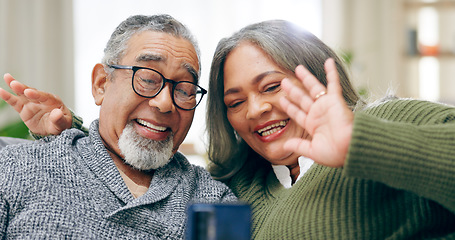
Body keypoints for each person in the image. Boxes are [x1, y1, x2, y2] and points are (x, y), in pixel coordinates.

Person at [3, 19, 455, 239]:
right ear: (102, 83)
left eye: (272, 86)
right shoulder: (244, 183)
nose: (256, 109)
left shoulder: (211, 196)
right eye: (235, 102)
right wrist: (73, 137)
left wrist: (363, 142)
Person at [0, 14, 236, 239]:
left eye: (184, 90)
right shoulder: (16, 167)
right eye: (147, 79)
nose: (165, 103)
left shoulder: (213, 200)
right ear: (101, 84)